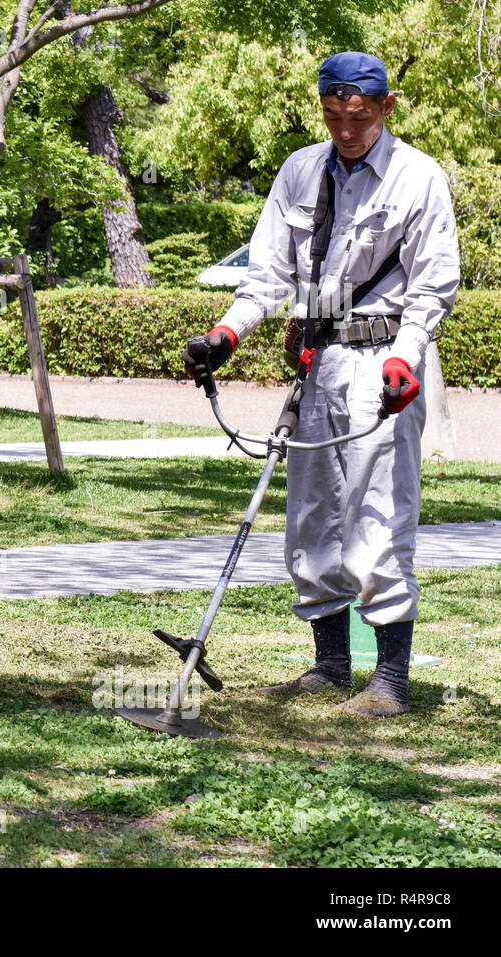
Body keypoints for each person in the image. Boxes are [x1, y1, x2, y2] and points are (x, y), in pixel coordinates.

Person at [181, 51, 460, 717]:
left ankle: (390, 677)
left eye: (358, 117)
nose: (345, 128)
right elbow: (268, 272)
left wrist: (406, 357)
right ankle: (330, 663)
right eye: (333, 115)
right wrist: (226, 335)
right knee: (311, 512)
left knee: (378, 511)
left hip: (387, 358)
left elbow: (434, 284)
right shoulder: (301, 170)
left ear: (387, 108)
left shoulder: (419, 178)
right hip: (323, 357)